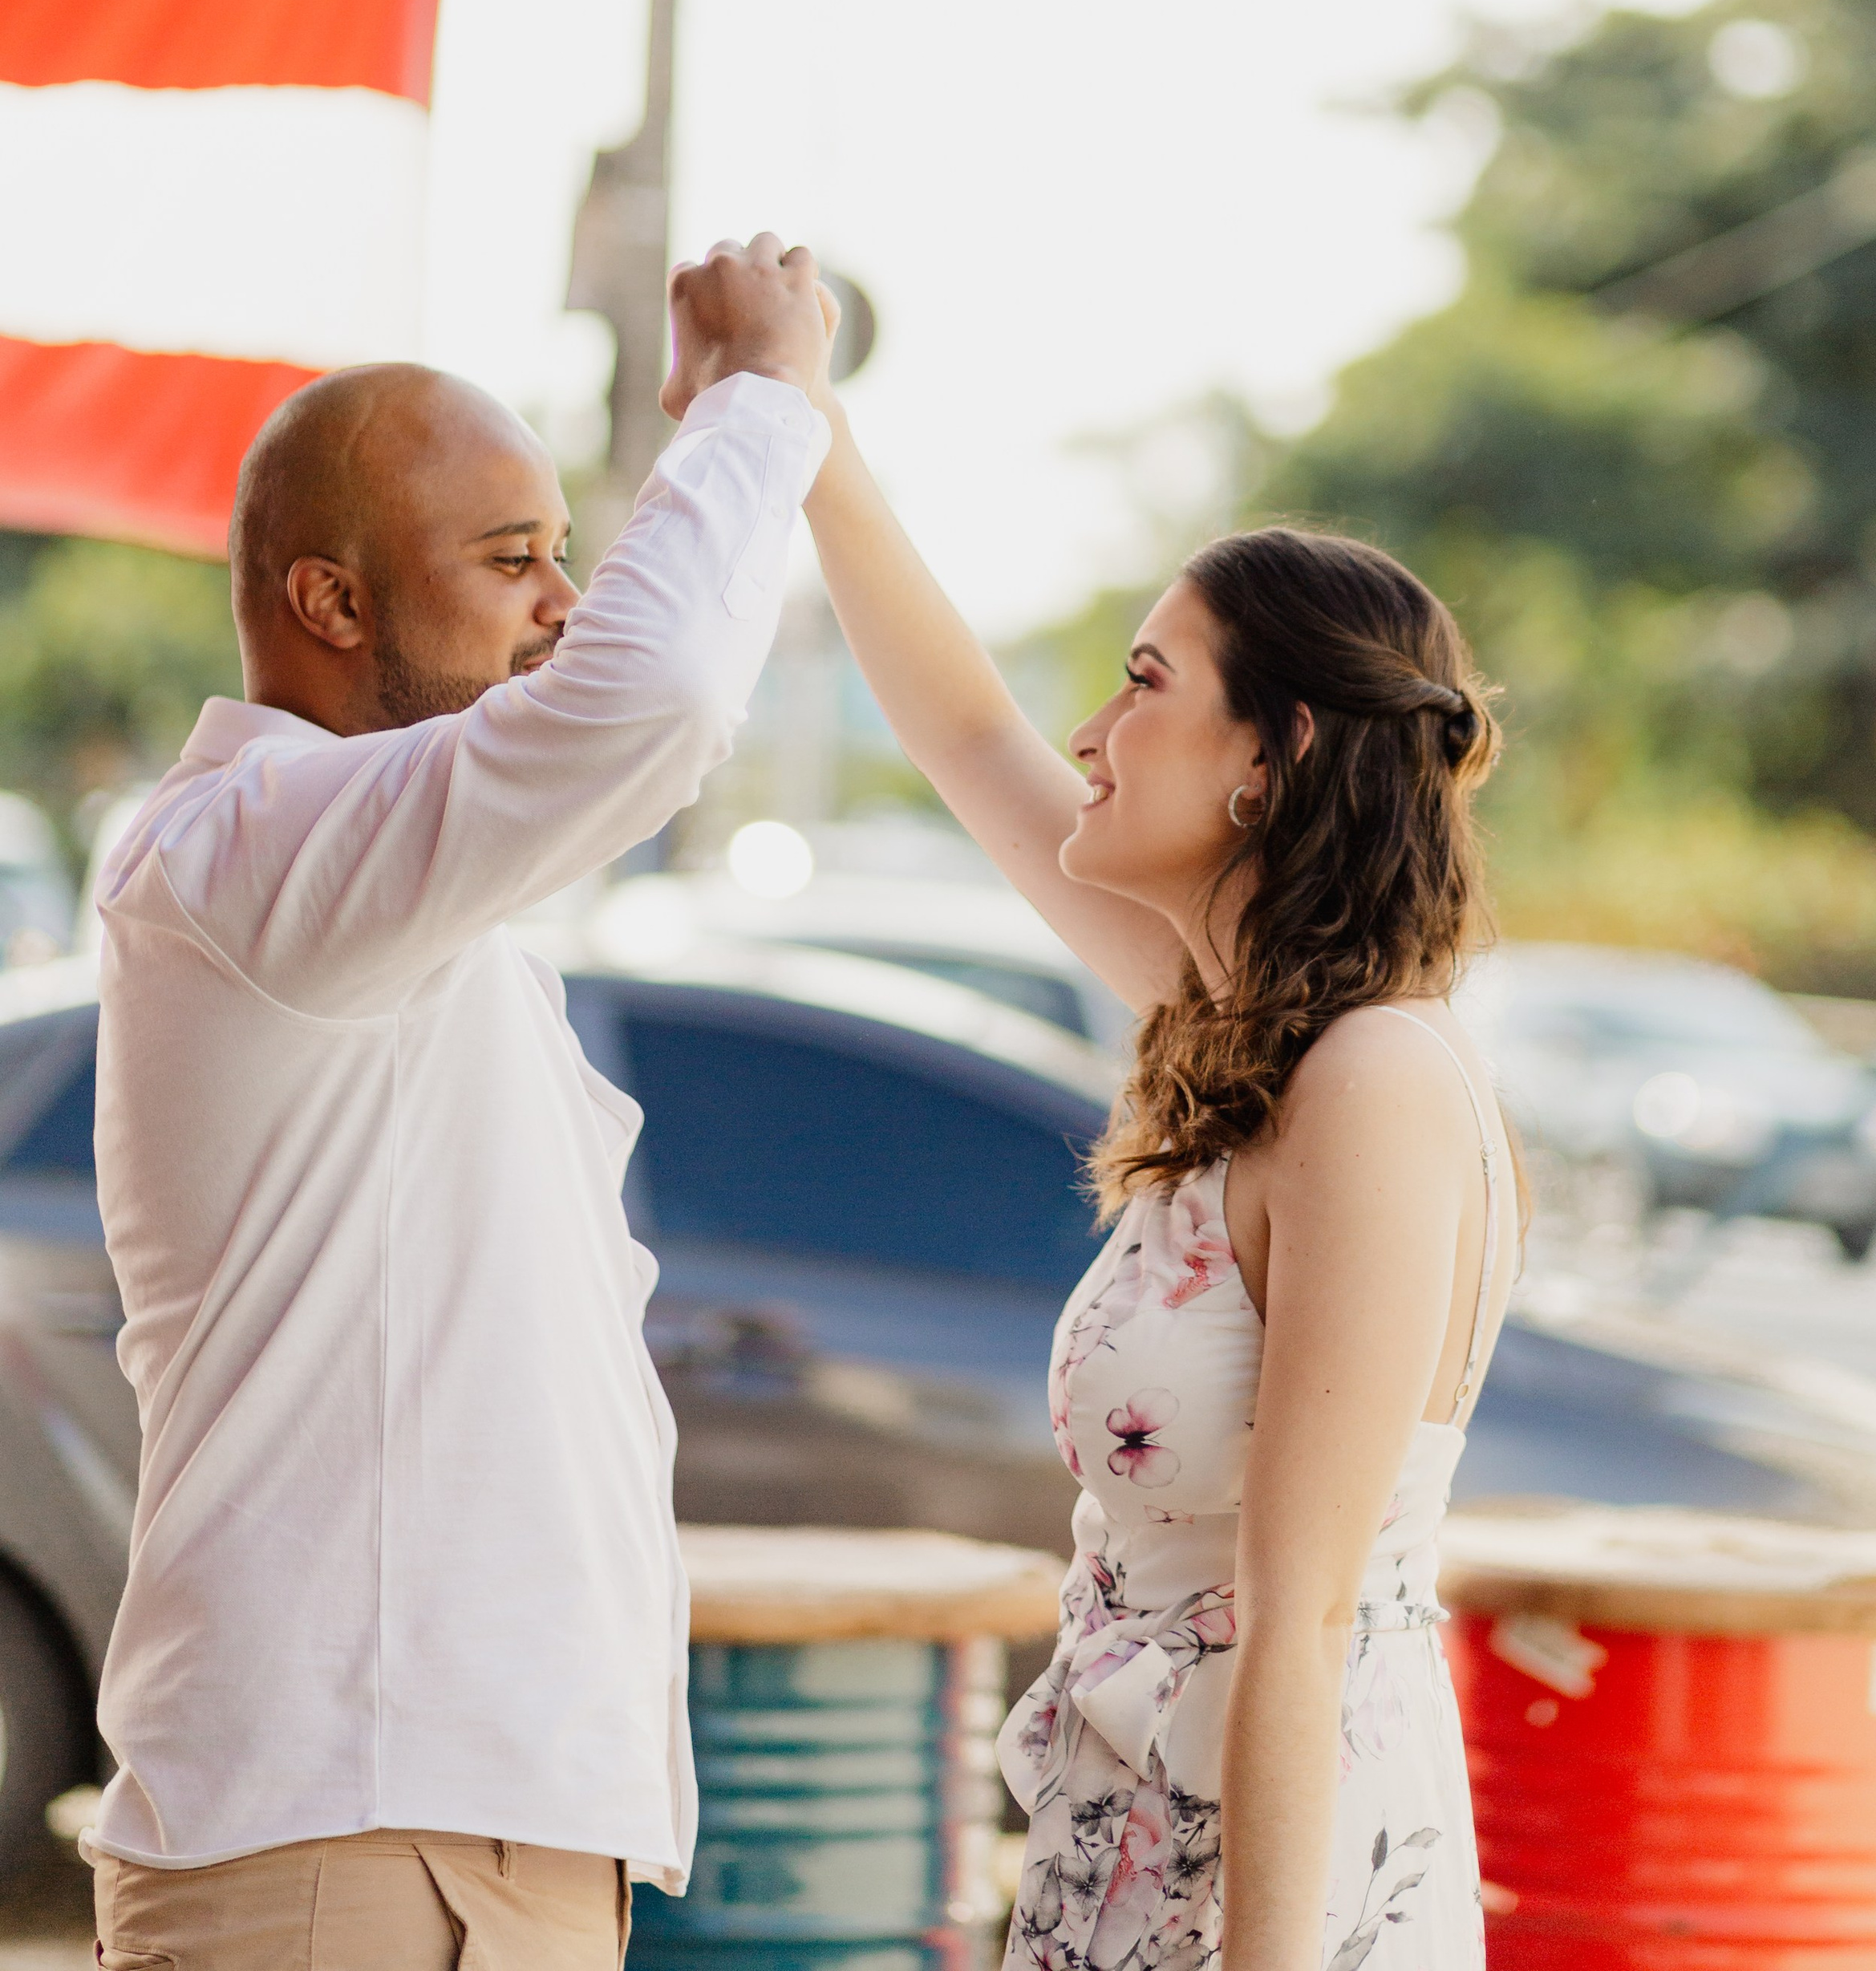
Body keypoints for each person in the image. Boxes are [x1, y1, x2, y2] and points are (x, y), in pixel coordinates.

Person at [84, 237, 835, 1971]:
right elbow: (644, 699)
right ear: (333, 604)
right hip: (357, 1841)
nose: (559, 604)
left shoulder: (398, 920)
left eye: (561, 558)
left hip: (447, 1838)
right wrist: (752, 399)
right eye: (511, 563)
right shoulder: (247, 854)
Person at [796, 384, 1513, 1971]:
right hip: (1124, 1854)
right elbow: (966, 732)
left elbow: (1302, 1616)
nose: (1087, 736)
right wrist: (800, 428)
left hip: (1271, 1901)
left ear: (1275, 753)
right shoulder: (1246, 1029)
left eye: (1141, 684)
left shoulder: (1374, 1082)